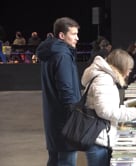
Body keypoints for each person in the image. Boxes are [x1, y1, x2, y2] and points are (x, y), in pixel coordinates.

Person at [36, 17, 81, 166]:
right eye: (73, 34)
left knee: (55, 159)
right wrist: (76, 115)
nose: (77, 38)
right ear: (62, 36)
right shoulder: (62, 55)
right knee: (66, 160)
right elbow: (66, 89)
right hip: (65, 119)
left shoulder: (51, 52)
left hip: (54, 118)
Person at [81, 48, 136, 165]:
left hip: (99, 136)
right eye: (129, 69)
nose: (128, 73)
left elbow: (106, 105)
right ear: (121, 67)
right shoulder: (104, 79)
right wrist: (133, 113)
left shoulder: (105, 77)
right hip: (98, 139)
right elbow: (104, 111)